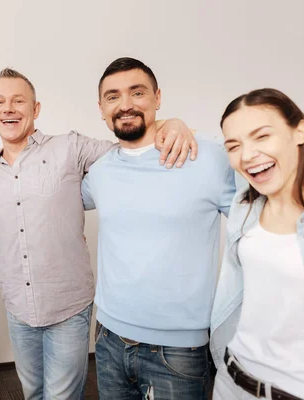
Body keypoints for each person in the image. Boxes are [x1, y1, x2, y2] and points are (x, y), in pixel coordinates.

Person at [0, 67, 196, 400]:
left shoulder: (70, 147)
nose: (8, 108)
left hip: (68, 306)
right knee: (32, 393)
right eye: (0, 102)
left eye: (18, 101)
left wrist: (171, 123)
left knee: (62, 397)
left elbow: (129, 146)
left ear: (35, 109)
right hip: (18, 308)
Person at [81, 57, 236, 400]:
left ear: (158, 97)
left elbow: (268, 209)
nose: (125, 105)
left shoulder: (206, 156)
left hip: (178, 349)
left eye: (137, 93)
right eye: (112, 96)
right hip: (108, 338)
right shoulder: (100, 171)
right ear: (101, 108)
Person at [210, 88, 304, 399]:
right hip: (232, 382)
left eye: (262, 136)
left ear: (300, 131)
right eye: (234, 146)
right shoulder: (244, 208)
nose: (247, 155)